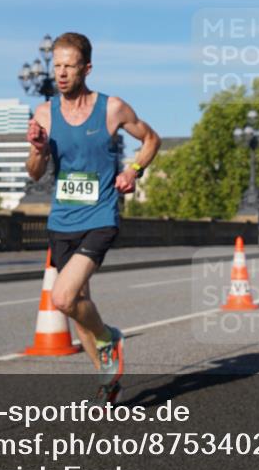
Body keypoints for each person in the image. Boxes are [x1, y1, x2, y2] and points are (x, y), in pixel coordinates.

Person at [26, 31, 160, 402]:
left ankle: (109, 339)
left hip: (100, 216)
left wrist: (133, 170)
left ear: (87, 68)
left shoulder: (112, 108)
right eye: (56, 66)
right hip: (61, 221)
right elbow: (35, 172)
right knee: (79, 306)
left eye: (69, 66)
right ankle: (107, 378)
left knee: (64, 298)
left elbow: (151, 140)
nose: (62, 73)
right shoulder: (44, 113)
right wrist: (38, 149)